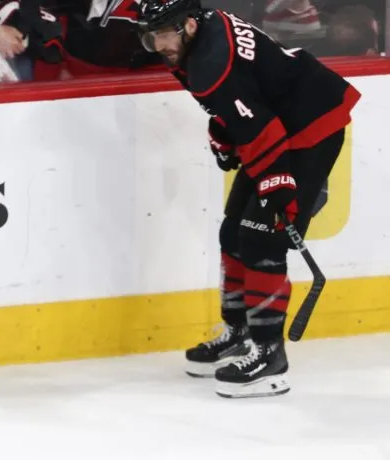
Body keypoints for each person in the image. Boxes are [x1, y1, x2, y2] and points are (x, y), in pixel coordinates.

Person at [136, 0, 360, 398]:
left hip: (309, 128)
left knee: (262, 238)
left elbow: (261, 128)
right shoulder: (201, 33)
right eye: (148, 36)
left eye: (161, 35)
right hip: (277, 120)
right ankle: (239, 333)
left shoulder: (208, 63)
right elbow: (245, 97)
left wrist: (280, 189)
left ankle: (270, 359)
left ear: (187, 25)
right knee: (233, 233)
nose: (156, 45)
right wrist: (224, 132)